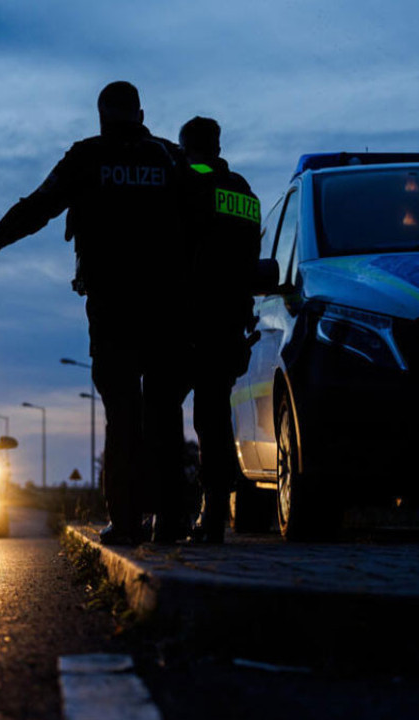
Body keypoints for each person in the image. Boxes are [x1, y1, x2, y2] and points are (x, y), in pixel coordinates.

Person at [0, 81, 190, 546]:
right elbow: (202, 225)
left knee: (122, 412)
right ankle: (172, 521)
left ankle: (127, 521)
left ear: (101, 117)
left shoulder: (86, 157)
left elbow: (32, 211)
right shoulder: (172, 158)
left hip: (113, 306)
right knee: (164, 409)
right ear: (140, 115)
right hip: (169, 305)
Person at [177, 116, 261, 544]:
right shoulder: (243, 192)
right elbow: (250, 256)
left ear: (186, 147)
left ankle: (169, 512)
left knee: (163, 411)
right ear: (218, 145)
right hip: (228, 319)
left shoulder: (182, 186)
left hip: (185, 317)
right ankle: (213, 513)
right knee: (214, 418)